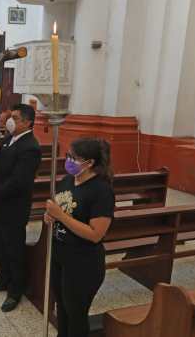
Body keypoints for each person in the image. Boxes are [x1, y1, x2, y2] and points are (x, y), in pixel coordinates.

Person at [44, 138, 114, 337]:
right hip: (60, 255)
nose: (68, 161)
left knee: (76, 313)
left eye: (73, 158)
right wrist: (50, 216)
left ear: (89, 163)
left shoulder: (101, 190)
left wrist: (60, 215)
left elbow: (95, 234)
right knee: (63, 310)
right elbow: (60, 209)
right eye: (68, 156)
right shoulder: (67, 180)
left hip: (83, 262)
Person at [0, 103, 41, 312]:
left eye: (15, 118)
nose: (10, 121)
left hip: (14, 206)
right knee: (1, 244)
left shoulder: (30, 147)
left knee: (14, 248)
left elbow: (19, 181)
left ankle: (16, 290)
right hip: (0, 203)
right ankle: (2, 278)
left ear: (27, 122)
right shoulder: (8, 140)